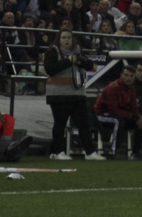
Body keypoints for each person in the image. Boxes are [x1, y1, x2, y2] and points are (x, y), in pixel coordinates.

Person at [45, 29, 105, 160]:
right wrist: (68, 61)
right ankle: (58, 152)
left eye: (69, 37)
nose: (66, 40)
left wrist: (81, 61)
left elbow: (93, 67)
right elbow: (49, 69)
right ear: (58, 39)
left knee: (84, 124)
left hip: (77, 94)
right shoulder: (52, 52)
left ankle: (90, 152)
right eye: (64, 38)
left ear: (73, 39)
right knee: (60, 124)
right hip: (58, 95)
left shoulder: (78, 51)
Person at [93, 64, 142, 157]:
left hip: (119, 114)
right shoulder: (113, 87)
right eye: (126, 75)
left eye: (131, 76)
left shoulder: (132, 89)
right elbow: (113, 109)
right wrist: (132, 116)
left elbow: (133, 107)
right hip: (101, 114)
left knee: (141, 122)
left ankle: (136, 152)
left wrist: (137, 117)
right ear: (121, 75)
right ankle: (115, 150)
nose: (128, 78)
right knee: (118, 121)